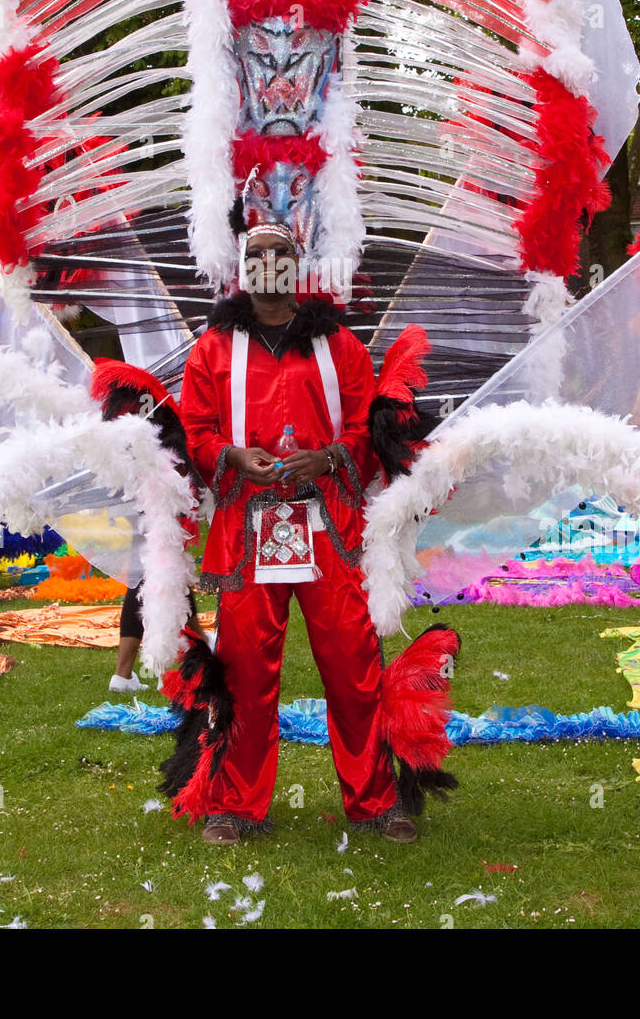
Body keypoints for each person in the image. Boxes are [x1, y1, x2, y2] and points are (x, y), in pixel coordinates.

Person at [174, 222, 417, 844]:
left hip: (329, 531)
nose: (268, 263)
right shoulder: (212, 350)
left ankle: (376, 801)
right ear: (242, 267)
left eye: (280, 253)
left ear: (298, 264)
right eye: (256, 255)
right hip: (248, 537)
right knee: (245, 675)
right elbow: (194, 429)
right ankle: (235, 804)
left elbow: (368, 431)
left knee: (353, 668)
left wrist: (331, 457)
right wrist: (231, 456)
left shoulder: (340, 347)